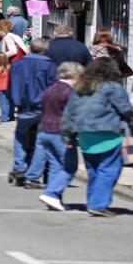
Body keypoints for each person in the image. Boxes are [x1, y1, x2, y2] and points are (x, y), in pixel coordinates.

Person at [60, 57, 133, 218]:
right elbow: (125, 109)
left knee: (93, 170)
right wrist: (132, 118)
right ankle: (98, 204)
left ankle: (93, 201)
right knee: (109, 169)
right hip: (109, 132)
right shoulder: (113, 87)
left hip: (85, 134)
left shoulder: (81, 88)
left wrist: (67, 136)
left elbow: (69, 113)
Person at [5, 37, 56, 188]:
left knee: (21, 136)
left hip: (25, 107)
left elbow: (12, 86)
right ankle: (33, 175)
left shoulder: (19, 65)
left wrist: (15, 102)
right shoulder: (51, 66)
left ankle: (20, 167)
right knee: (42, 141)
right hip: (44, 108)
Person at [35, 62, 81, 212]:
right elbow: (72, 115)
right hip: (60, 132)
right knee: (69, 166)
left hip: (44, 129)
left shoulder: (50, 89)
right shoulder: (69, 92)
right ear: (74, 75)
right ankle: (52, 193)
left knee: (55, 165)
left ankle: (55, 199)